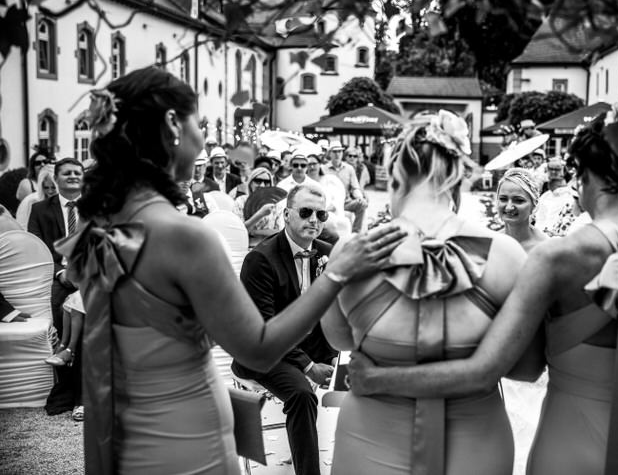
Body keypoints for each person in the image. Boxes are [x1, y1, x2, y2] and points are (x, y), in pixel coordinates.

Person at [53, 67, 407, 474]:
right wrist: (336, 275)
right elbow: (256, 347)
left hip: (121, 429)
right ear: (172, 125)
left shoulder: (98, 224)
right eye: (198, 124)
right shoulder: (186, 236)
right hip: (185, 433)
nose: (203, 139)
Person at [347, 102, 618, 475]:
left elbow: (504, 369)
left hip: (567, 455)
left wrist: (378, 378)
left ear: (580, 172)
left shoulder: (556, 259)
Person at [321, 110, 527, 475]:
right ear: (458, 173)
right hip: (476, 444)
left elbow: (338, 340)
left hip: (369, 436)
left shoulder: (350, 252)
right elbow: (525, 367)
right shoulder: (506, 255)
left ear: (397, 172)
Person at [232, 184, 336, 475]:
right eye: (305, 212)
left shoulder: (328, 254)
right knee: (302, 394)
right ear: (287, 215)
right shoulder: (261, 259)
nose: (314, 219)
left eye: (321, 214)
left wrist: (328, 360)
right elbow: (264, 325)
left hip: (309, 346)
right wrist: (308, 366)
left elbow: (336, 312)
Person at [28, 157, 85, 420]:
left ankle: (83, 395)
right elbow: (36, 251)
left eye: (77, 172)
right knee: (64, 309)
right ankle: (72, 390)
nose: (73, 176)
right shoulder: (41, 209)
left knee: (87, 316)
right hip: (59, 278)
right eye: (67, 173)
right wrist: (61, 273)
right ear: (57, 180)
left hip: (92, 276)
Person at [496, 168, 548, 252]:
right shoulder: (490, 243)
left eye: (519, 200)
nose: (509, 207)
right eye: (503, 199)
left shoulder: (545, 247)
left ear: (534, 205)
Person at [324, 143, 368, 233]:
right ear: (329, 153)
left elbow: (355, 187)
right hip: (330, 204)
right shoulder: (323, 169)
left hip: (346, 203)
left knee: (362, 203)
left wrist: (359, 197)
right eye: (335, 151)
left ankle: (355, 233)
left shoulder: (349, 168)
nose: (337, 154)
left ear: (342, 153)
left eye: (339, 151)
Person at [233, 167, 280, 237]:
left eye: (266, 182)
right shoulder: (240, 202)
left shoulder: (276, 204)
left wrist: (253, 232)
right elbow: (238, 231)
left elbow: (280, 232)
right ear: (250, 183)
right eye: (258, 181)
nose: (262, 185)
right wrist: (260, 214)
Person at [533, 157, 574, 236]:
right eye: (551, 169)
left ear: (563, 171)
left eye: (557, 169)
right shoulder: (545, 196)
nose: (553, 172)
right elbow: (539, 218)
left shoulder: (569, 195)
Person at [16, 164, 57, 230]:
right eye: (46, 187)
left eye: (53, 187)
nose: (50, 191)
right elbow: (22, 228)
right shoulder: (30, 202)